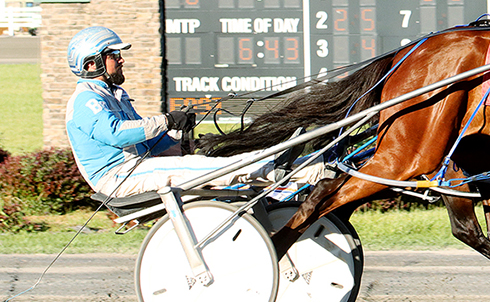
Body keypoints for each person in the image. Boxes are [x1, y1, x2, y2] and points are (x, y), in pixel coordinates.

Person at [65, 26, 329, 198]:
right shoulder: (86, 100)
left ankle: (293, 171)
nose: (121, 59)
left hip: (134, 168)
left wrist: (182, 141)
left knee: (209, 159)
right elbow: (116, 135)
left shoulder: (115, 96)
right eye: (113, 55)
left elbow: (147, 145)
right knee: (198, 168)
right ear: (92, 63)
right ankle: (300, 172)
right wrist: (166, 120)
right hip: (117, 177)